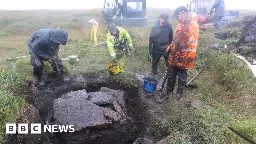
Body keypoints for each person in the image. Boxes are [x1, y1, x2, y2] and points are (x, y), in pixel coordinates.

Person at [164, 6, 199, 101]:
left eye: (177, 16)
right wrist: (170, 46)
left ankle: (178, 97)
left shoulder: (193, 25)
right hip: (174, 56)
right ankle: (168, 93)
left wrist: (185, 26)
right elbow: (176, 38)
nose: (176, 18)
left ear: (183, 14)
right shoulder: (179, 24)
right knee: (171, 76)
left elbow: (187, 39)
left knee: (181, 79)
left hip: (184, 59)